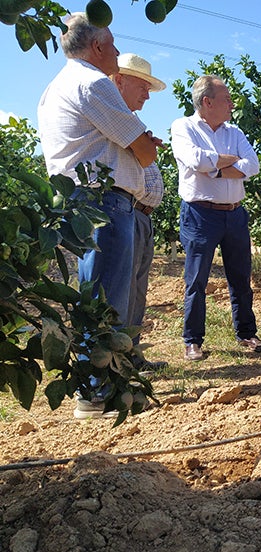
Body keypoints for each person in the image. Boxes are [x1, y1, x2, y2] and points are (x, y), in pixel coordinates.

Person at [37, 13, 159, 418]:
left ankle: (100, 388)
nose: (119, 53)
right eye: (115, 45)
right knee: (106, 299)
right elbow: (145, 151)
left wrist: (136, 143)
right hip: (104, 202)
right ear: (99, 47)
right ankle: (94, 394)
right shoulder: (93, 83)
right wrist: (141, 144)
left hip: (82, 202)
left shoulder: (55, 87)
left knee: (98, 294)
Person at [171, 75, 261, 362]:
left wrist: (214, 167)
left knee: (240, 277)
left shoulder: (234, 132)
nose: (232, 104)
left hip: (235, 213)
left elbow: (253, 165)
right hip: (200, 214)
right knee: (196, 279)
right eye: (226, 99)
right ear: (207, 102)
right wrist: (226, 161)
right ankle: (193, 340)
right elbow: (194, 160)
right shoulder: (183, 127)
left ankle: (247, 333)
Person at [112, 53, 169, 373]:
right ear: (119, 80)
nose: (147, 94)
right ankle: (118, 360)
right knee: (123, 291)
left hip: (141, 215)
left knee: (135, 290)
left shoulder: (130, 121)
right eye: (143, 86)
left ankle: (130, 354)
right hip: (127, 210)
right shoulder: (114, 116)